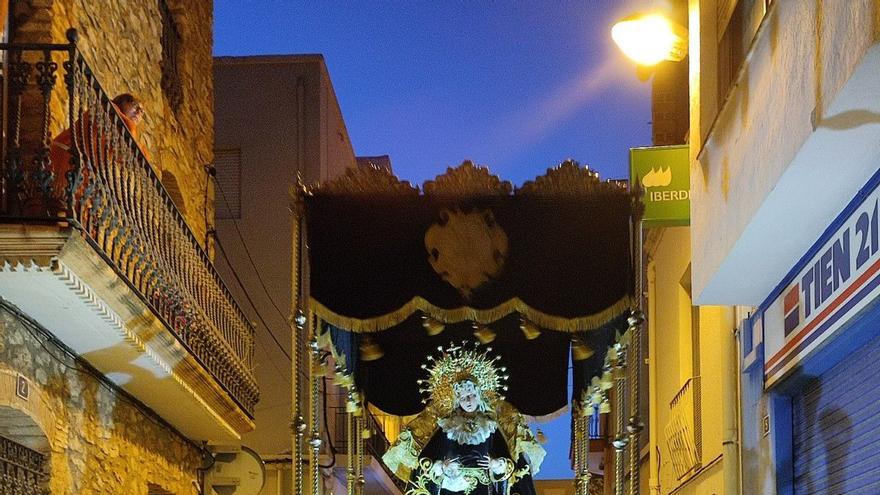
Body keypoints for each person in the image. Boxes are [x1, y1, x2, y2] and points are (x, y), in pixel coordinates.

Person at [383, 343, 545, 495]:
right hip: (452, 487)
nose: (468, 401)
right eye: (463, 397)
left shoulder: (490, 427)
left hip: (483, 488)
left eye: (472, 395)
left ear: (479, 396)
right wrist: (442, 466)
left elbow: (508, 462)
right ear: (457, 399)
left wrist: (497, 465)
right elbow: (426, 460)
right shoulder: (447, 427)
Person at [48, 93, 146, 212]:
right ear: (122, 102)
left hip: (79, 170)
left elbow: (131, 159)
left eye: (142, 112)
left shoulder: (119, 134)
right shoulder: (108, 109)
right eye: (135, 106)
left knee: (70, 212)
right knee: (58, 204)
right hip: (66, 158)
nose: (138, 112)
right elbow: (129, 129)